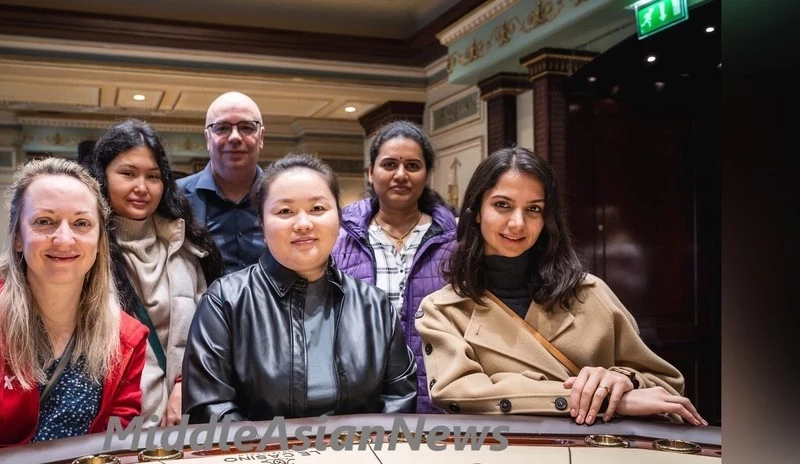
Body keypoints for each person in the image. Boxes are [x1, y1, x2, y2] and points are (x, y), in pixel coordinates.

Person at [416, 146, 706, 425]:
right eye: (502, 205)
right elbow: (458, 394)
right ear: (477, 211)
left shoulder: (589, 293)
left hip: (602, 453)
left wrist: (623, 379)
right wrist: (605, 400)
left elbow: (666, 387)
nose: (517, 223)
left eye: (534, 209)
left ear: (547, 218)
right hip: (504, 454)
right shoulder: (443, 310)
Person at [0, 157, 148, 460]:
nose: (64, 238)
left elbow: (117, 450)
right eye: (44, 222)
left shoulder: (127, 339)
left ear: (99, 241)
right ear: (17, 236)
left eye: (82, 224)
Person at [182, 153, 418, 423]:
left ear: (338, 217)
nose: (304, 224)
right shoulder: (225, 301)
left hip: (362, 449)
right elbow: (210, 407)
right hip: (258, 450)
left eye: (317, 208)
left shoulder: (374, 306)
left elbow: (399, 398)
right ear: (261, 224)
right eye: (285, 211)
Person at [90, 118, 223, 427]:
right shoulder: (86, 253)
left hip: (186, 419)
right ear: (102, 176)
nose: (141, 187)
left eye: (153, 176)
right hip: (120, 426)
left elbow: (210, 334)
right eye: (127, 174)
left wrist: (185, 384)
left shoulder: (186, 246)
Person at [332, 120, 457, 414]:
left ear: (427, 173)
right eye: (389, 164)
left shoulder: (456, 240)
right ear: (370, 173)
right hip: (359, 399)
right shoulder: (338, 238)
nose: (401, 175)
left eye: (412, 166)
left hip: (438, 397)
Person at [177, 91, 266, 274]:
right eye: (222, 128)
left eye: (246, 127)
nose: (235, 137)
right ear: (207, 138)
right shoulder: (176, 196)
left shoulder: (283, 195)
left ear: (261, 137)